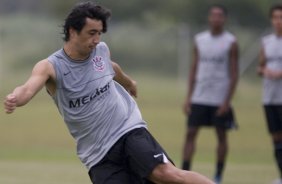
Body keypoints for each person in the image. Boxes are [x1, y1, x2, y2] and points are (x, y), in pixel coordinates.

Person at [4, 2, 215, 184]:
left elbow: (111, 67)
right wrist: (16, 98)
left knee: (165, 175)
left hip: (127, 129)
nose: (96, 40)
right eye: (91, 33)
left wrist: (128, 82)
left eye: (99, 33)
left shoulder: (100, 51)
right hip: (97, 154)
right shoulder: (50, 66)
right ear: (72, 32)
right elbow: (28, 87)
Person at [182, 4, 238, 184]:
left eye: (219, 15)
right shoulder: (200, 39)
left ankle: (218, 175)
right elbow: (194, 68)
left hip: (219, 98)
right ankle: (184, 172)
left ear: (224, 19)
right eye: (213, 15)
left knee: (221, 135)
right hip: (199, 96)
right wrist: (188, 97)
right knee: (190, 132)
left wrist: (226, 102)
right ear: (209, 18)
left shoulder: (231, 42)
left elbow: (234, 73)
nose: (216, 18)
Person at [258, 4, 282, 184]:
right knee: (276, 139)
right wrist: (264, 70)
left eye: (281, 17)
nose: (278, 21)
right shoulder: (266, 42)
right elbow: (261, 66)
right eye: (275, 18)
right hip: (270, 98)